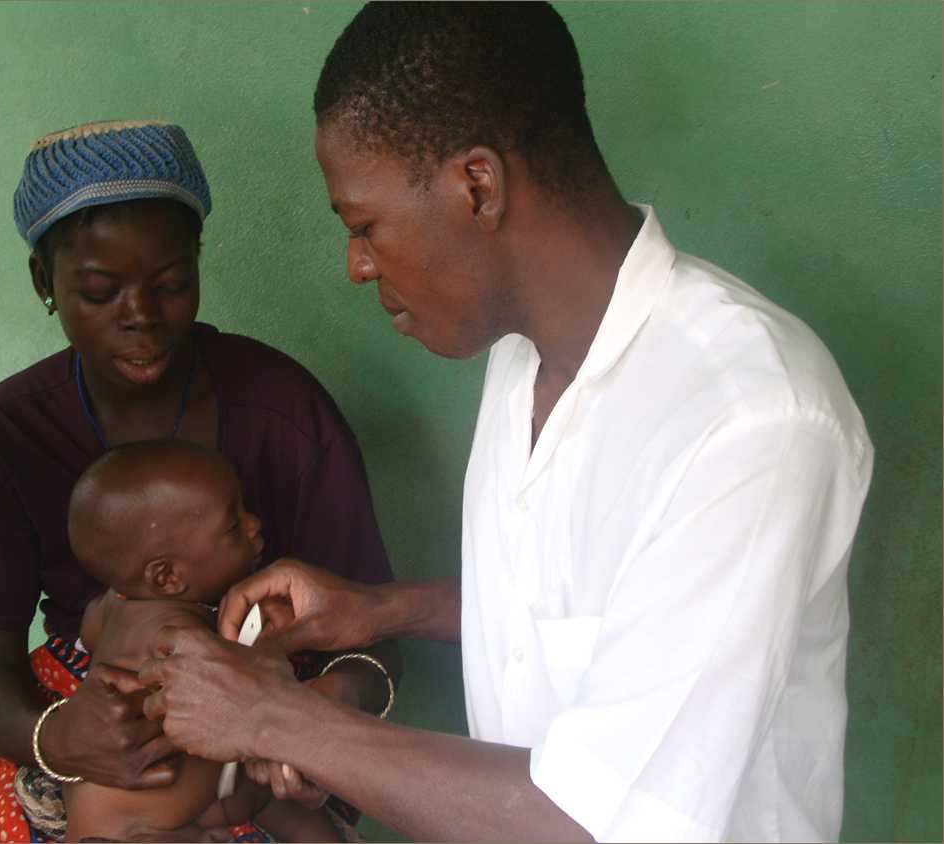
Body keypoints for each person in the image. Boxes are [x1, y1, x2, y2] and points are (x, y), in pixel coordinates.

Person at [129, 5, 874, 843]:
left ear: (478, 188)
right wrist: (382, 610)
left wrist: (272, 718)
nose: (357, 265)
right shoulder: (521, 352)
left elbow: (586, 822)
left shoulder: (749, 420)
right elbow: (588, 615)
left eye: (364, 225)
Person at [0, 119, 399, 843]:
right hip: (79, 731)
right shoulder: (7, 433)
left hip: (264, 749)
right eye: (99, 291)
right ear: (45, 282)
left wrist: (318, 710)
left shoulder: (285, 414)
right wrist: (61, 737)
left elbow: (374, 637)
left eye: (170, 284)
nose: (141, 317)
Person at [62, 439, 343, 843]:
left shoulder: (112, 605)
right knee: (297, 810)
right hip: (139, 831)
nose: (254, 524)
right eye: (233, 526)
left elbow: (91, 634)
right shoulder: (177, 635)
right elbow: (249, 681)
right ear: (167, 577)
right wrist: (273, 637)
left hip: (170, 806)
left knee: (286, 805)